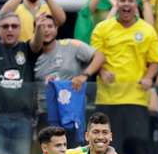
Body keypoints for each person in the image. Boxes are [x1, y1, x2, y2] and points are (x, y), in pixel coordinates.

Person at [91, 0, 158, 154]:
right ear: (117, 3)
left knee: (136, 148)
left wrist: (148, 78)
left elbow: (155, 61)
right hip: (107, 99)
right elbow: (93, 58)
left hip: (136, 99)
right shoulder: (102, 28)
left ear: (136, 4)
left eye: (130, 1)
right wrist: (102, 71)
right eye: (122, 0)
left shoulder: (147, 30)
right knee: (106, 148)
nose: (126, 4)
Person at [0, 10, 43, 154]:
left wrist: (39, 27)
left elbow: (37, 44)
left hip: (22, 118)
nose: (10, 30)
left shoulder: (26, 48)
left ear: (20, 29)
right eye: (5, 26)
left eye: (14, 26)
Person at [33, 15, 104, 145]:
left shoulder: (71, 45)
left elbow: (99, 56)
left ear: (57, 29)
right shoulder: (32, 54)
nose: (46, 30)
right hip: (46, 113)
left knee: (75, 153)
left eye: (50, 26)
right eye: (42, 27)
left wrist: (85, 75)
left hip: (72, 111)